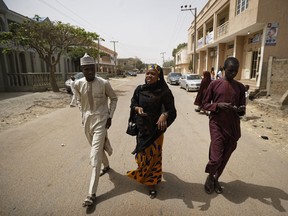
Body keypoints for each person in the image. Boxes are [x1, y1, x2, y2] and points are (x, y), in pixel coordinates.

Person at [74, 53, 118, 207]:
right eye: (86, 69)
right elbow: (78, 100)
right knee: (96, 148)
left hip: (101, 119)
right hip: (87, 121)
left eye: (92, 68)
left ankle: (91, 193)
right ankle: (106, 166)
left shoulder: (104, 83)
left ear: (95, 68)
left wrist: (110, 116)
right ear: (82, 69)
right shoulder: (77, 84)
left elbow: (114, 98)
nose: (90, 72)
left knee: (94, 153)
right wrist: (82, 112)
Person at [127, 64, 177, 199]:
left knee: (154, 158)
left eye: (153, 74)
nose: (149, 76)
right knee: (142, 156)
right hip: (142, 128)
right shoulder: (139, 89)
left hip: (156, 131)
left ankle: (152, 182)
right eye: (147, 73)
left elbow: (172, 110)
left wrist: (165, 115)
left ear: (159, 77)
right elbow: (133, 103)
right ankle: (143, 173)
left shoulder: (164, 92)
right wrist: (136, 108)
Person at [202, 57, 246, 194]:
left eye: (235, 71)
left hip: (232, 125)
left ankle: (216, 178)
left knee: (226, 154)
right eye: (230, 70)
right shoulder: (214, 84)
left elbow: (242, 108)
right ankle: (210, 176)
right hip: (217, 124)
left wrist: (240, 109)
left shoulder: (240, 87)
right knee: (216, 157)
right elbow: (204, 104)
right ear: (224, 69)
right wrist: (218, 105)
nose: (233, 73)